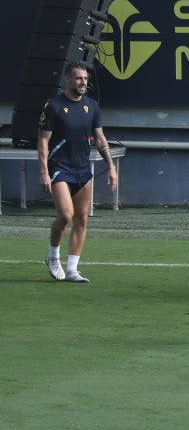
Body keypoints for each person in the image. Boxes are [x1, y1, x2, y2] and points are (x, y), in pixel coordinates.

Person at [40, 63, 114, 285]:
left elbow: (100, 138)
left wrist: (111, 166)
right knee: (66, 215)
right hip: (59, 168)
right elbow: (43, 142)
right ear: (68, 80)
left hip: (82, 169)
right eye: (79, 78)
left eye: (86, 79)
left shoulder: (91, 106)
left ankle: (72, 269)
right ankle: (53, 256)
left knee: (81, 218)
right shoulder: (53, 106)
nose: (83, 82)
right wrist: (44, 172)